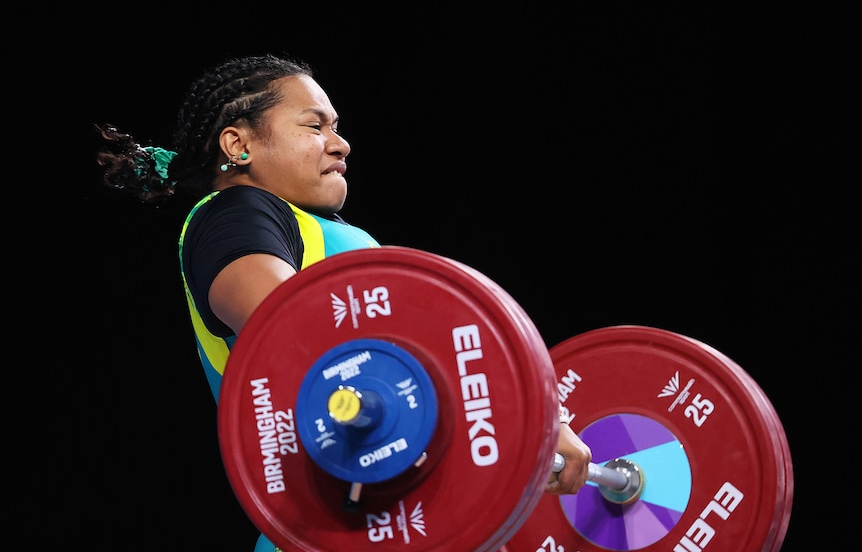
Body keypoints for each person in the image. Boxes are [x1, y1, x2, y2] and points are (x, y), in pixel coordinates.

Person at [96, 53, 592, 551]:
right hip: (337, 526)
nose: (340, 143)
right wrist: (527, 418)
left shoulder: (313, 229)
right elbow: (291, 329)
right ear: (239, 143)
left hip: (389, 515)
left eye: (336, 126)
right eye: (315, 126)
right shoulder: (234, 213)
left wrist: (535, 420)